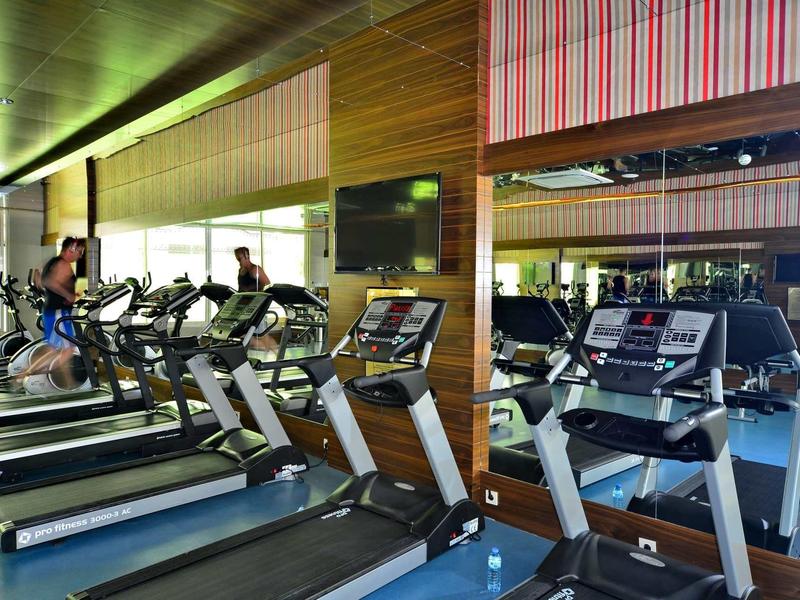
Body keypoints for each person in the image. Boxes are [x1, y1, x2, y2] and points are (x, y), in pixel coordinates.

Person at [22, 237, 85, 386]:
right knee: (67, 350)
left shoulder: (52, 262)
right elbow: (50, 282)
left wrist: (62, 293)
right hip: (59, 313)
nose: (80, 255)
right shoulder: (64, 264)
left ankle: (68, 383)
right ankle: (26, 376)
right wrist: (68, 294)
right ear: (71, 249)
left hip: (51, 309)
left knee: (57, 349)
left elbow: (39, 276)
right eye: (80, 251)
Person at [233, 246, 275, 350]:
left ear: (246, 256)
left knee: (262, 335)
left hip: (257, 305)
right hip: (245, 306)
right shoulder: (241, 271)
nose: (238, 261)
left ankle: (275, 353)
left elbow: (268, 284)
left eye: (240, 258)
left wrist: (254, 293)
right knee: (244, 334)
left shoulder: (255, 269)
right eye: (237, 258)